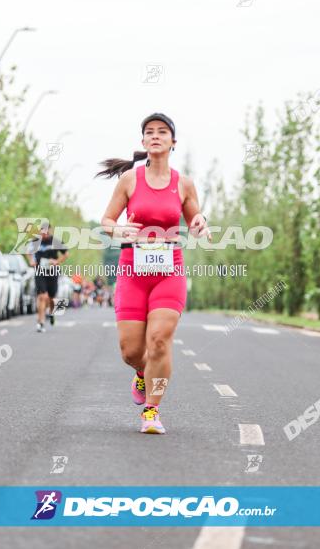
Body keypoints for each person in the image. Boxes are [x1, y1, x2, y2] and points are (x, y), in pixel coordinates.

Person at [98, 112, 209, 434]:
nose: (156, 136)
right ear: (143, 141)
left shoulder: (184, 184)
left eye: (163, 132)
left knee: (159, 341)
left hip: (168, 271)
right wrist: (117, 230)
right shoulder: (129, 180)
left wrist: (201, 223)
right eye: (150, 132)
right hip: (133, 271)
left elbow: (196, 221)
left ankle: (152, 411)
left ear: (173, 142)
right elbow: (106, 221)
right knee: (131, 350)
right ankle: (141, 374)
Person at [24, 222, 69, 332]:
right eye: (42, 232)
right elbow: (28, 251)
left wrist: (57, 261)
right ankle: (40, 322)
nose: (44, 234)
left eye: (46, 232)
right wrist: (31, 261)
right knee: (42, 296)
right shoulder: (35, 241)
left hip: (53, 271)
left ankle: (51, 313)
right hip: (40, 271)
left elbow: (66, 253)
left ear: (50, 231)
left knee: (52, 297)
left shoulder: (55, 241)